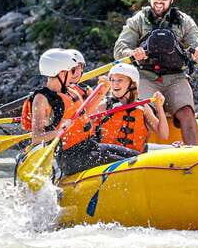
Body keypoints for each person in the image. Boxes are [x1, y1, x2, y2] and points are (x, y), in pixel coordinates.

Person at [113, 0, 198, 144]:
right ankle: (140, 150)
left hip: (175, 77)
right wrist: (131, 53)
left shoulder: (184, 21)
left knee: (187, 112)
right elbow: (120, 49)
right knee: (143, 112)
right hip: (145, 76)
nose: (159, 1)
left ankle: (194, 152)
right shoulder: (138, 20)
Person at [28, 49, 138, 177]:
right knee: (130, 164)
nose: (74, 75)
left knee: (137, 156)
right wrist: (59, 131)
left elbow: (84, 114)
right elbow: (36, 137)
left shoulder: (70, 90)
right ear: (61, 72)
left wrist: (103, 91)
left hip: (90, 146)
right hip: (71, 157)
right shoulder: (42, 99)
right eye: (72, 71)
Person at [94, 63, 170, 152]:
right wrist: (99, 94)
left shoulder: (143, 108)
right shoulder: (104, 106)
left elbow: (164, 134)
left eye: (120, 80)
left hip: (135, 156)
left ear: (132, 84)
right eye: (112, 80)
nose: (115, 84)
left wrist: (159, 107)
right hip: (109, 155)